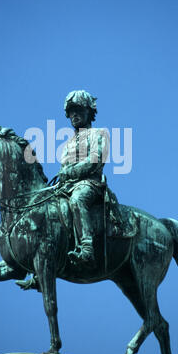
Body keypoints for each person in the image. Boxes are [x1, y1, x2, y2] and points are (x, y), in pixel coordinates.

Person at [57, 90, 110, 265]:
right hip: (67, 187)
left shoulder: (99, 134)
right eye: (71, 111)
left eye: (78, 109)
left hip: (90, 184)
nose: (74, 114)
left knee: (77, 200)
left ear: (89, 111)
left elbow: (95, 160)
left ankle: (87, 248)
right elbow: (63, 168)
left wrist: (70, 172)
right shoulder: (68, 144)